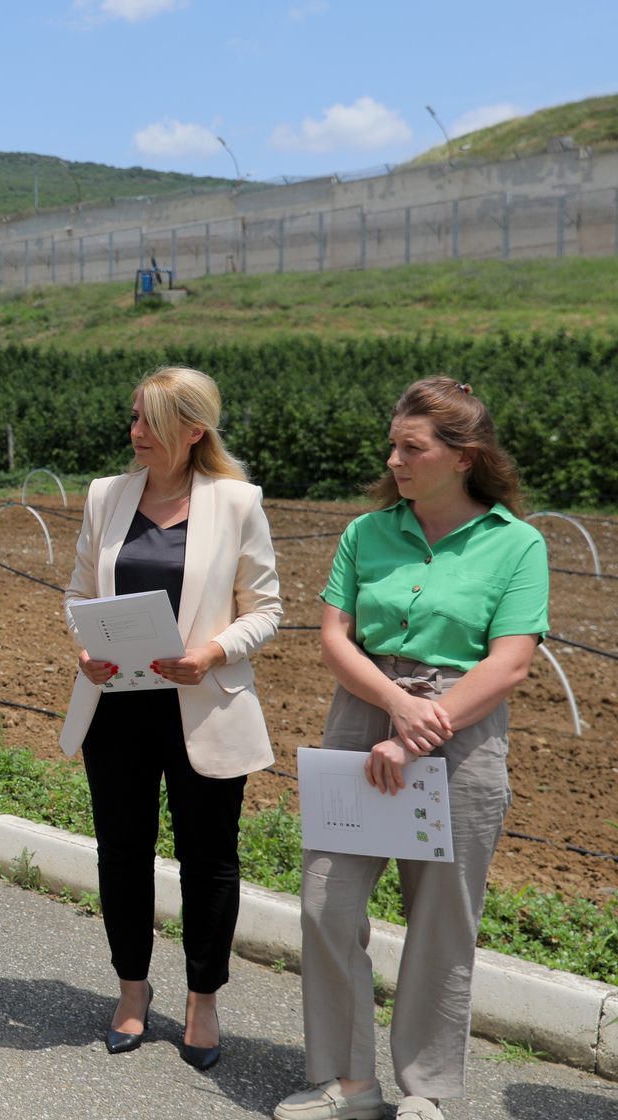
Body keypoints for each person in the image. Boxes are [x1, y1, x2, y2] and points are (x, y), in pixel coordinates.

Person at [274, 379, 547, 1120]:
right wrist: (395, 706)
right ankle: (347, 1083)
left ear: (464, 457)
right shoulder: (366, 533)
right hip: (363, 713)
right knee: (326, 901)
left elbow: (509, 662)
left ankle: (426, 1090)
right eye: (392, 445)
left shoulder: (517, 544)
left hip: (462, 728)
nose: (393, 460)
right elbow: (335, 637)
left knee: (441, 918)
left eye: (411, 447)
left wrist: (425, 724)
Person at [61, 365, 282, 1071]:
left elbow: (266, 609)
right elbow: (78, 593)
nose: (135, 432)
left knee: (208, 861)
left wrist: (213, 652)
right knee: (122, 853)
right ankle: (132, 989)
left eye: (150, 421)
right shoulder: (106, 496)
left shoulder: (237, 503)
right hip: (116, 709)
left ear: (193, 431)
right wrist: (87, 647)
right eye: (132, 417)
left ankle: (202, 999)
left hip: (203, 706)